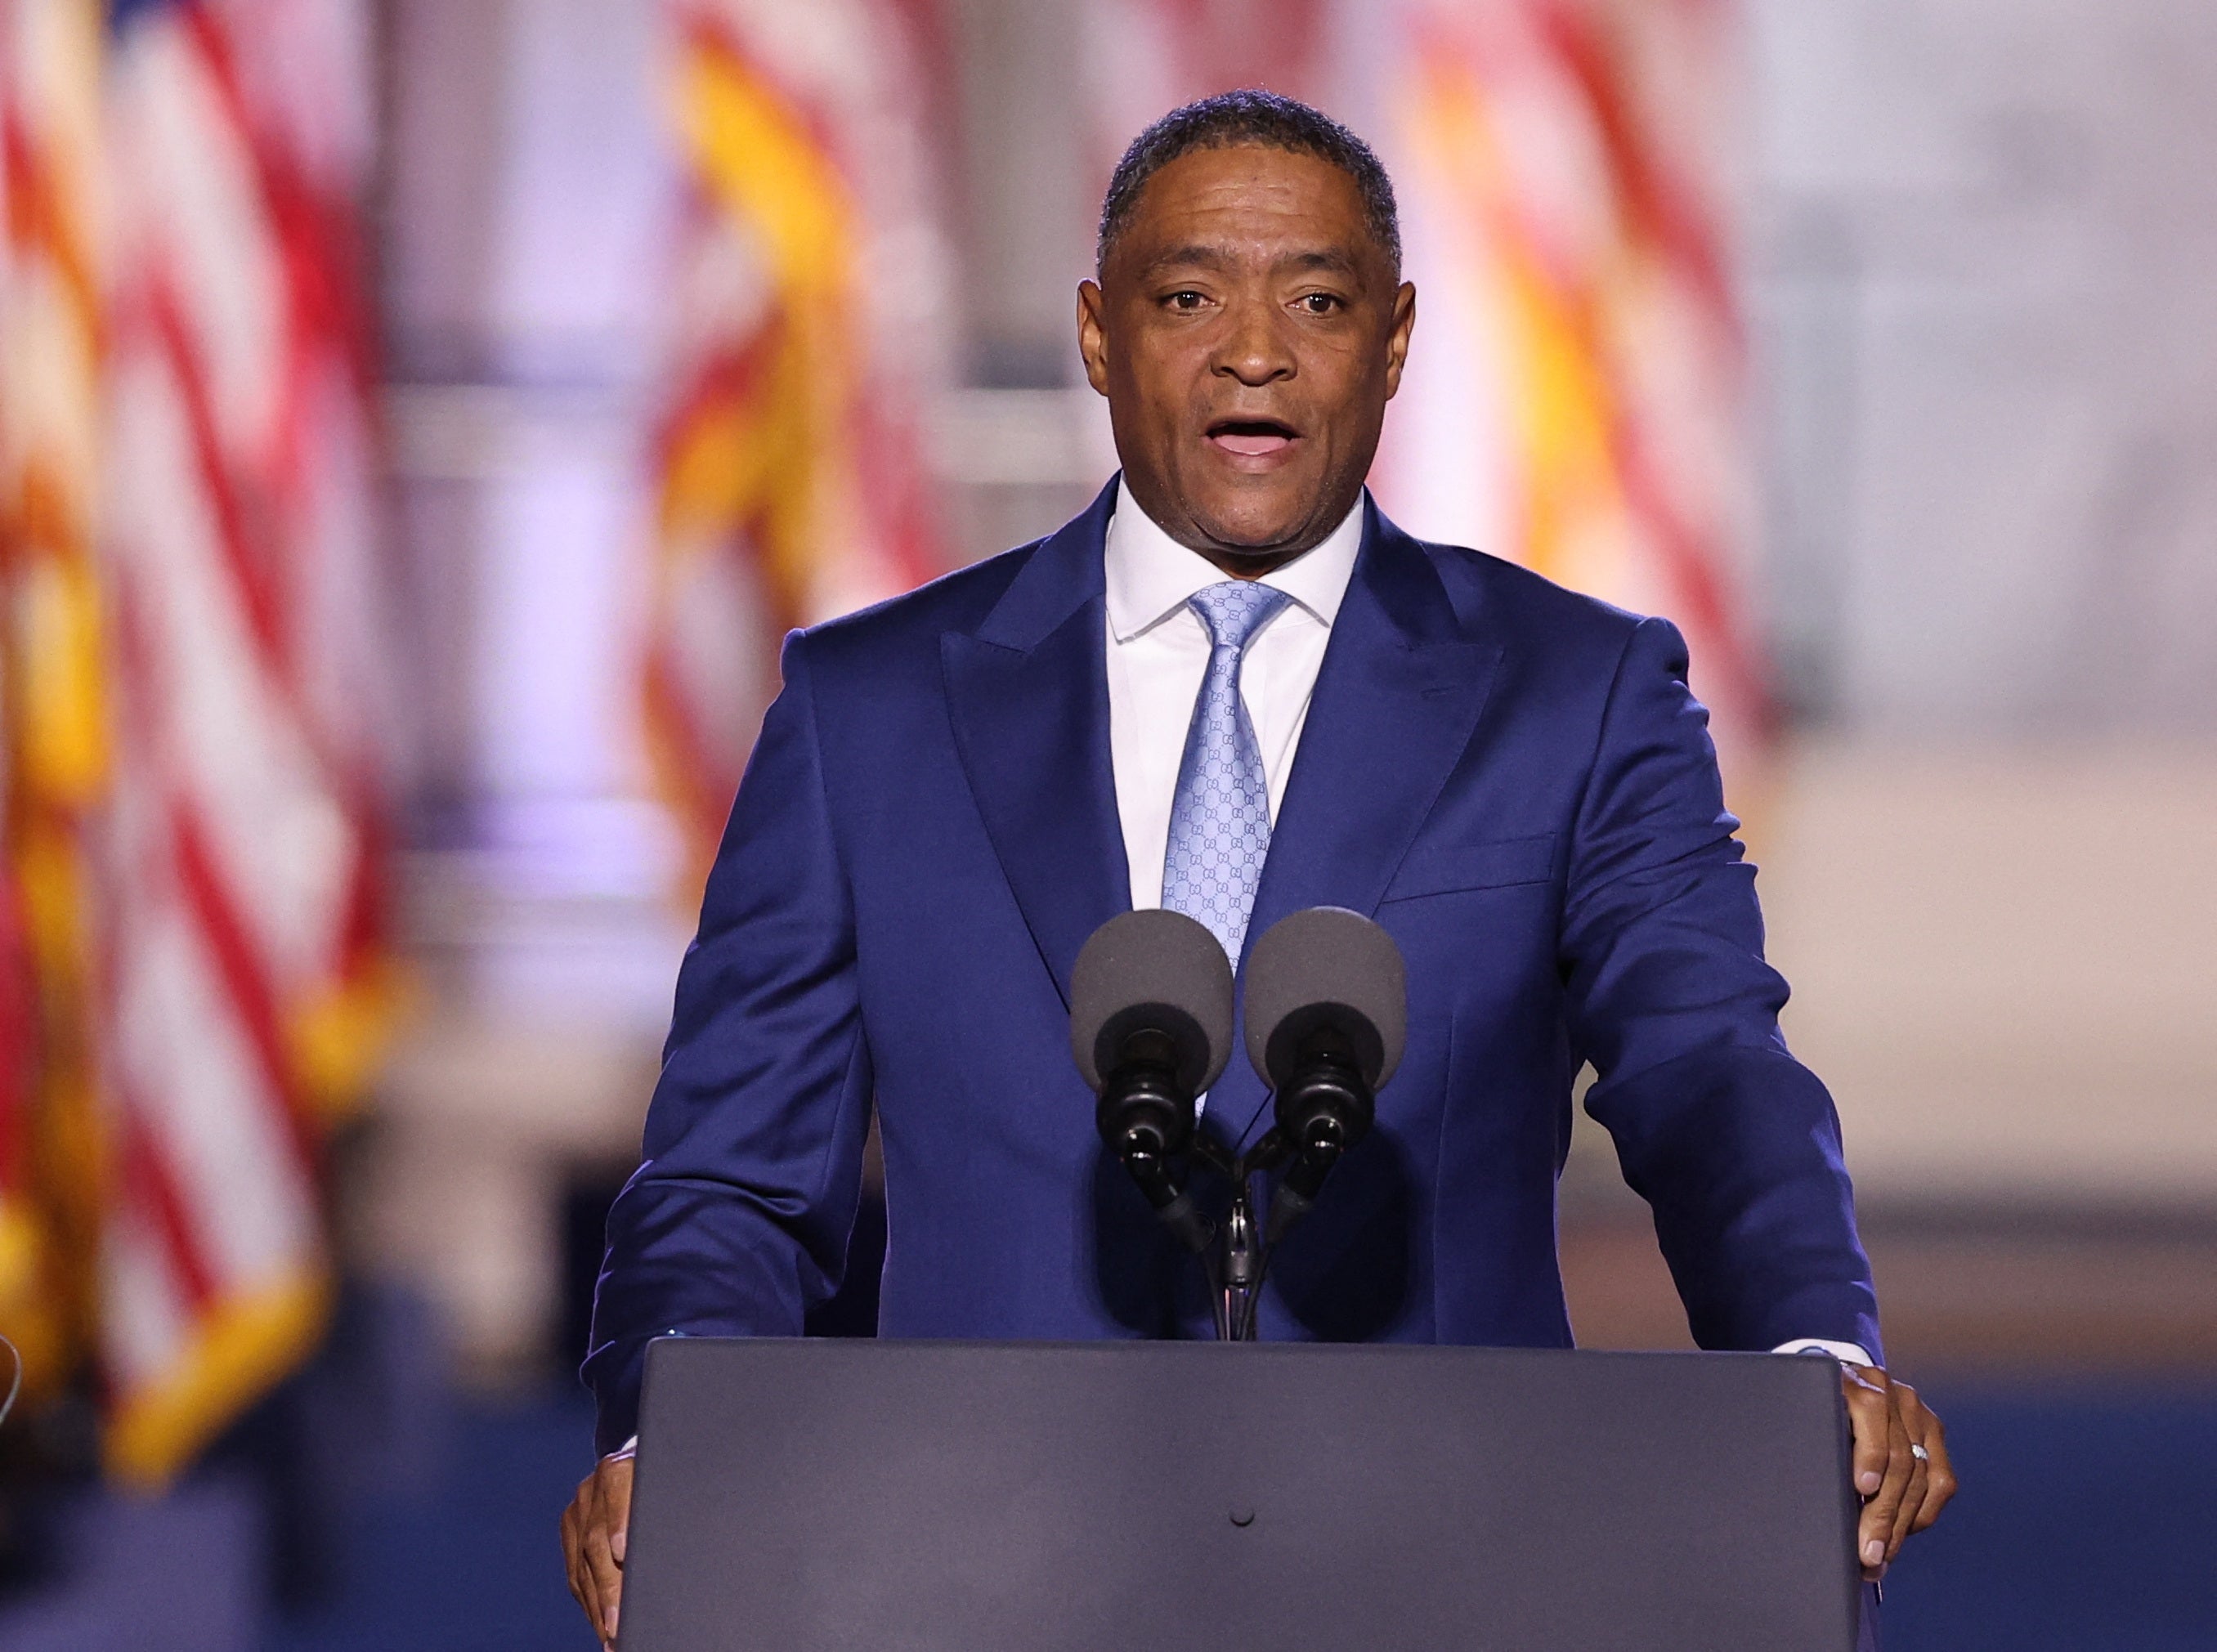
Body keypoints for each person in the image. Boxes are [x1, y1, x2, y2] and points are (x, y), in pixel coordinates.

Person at [562, 91, 1954, 1645]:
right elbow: (730, 1179)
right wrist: (666, 1433)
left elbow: (1712, 1076)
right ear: (1099, 333)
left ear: (1398, 337)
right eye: (1188, 296)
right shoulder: (868, 709)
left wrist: (1811, 1350)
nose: (1254, 350)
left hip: (1447, 1571)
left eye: (1317, 299)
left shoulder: (1577, 695)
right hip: (974, 1565)